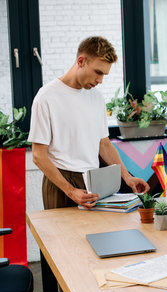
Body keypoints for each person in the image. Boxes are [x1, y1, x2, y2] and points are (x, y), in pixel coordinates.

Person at [28, 36, 149, 210]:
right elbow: (38, 155)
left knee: (94, 236)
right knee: (63, 238)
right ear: (81, 61)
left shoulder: (97, 98)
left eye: (104, 75)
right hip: (60, 183)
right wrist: (70, 191)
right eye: (98, 72)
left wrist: (127, 177)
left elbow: (104, 144)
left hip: (93, 181)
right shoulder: (46, 97)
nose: (100, 80)